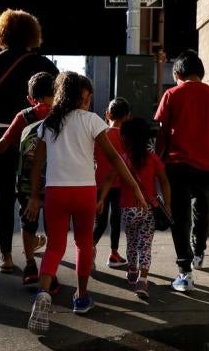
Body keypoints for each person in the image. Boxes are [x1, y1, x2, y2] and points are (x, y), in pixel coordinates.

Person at [25, 72, 147, 335]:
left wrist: (35, 196)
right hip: (84, 192)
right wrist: (135, 186)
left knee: (54, 247)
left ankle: (42, 294)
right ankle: (81, 298)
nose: (90, 100)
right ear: (83, 97)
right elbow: (115, 159)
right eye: (88, 96)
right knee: (83, 244)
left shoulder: (49, 123)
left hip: (55, 191)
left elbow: (37, 163)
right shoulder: (92, 121)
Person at [0, 9, 59, 272]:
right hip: (32, 131)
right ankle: (30, 247)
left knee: (3, 195)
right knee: (29, 192)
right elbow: (57, 96)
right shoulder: (44, 65)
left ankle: (6, 256)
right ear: (32, 34)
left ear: (1, 32)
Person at [154, 49, 209, 292]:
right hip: (208, 167)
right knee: (202, 209)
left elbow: (163, 133)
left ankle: (185, 271)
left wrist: (155, 162)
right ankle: (199, 252)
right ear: (201, 73)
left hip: (178, 165)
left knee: (180, 217)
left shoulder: (172, 94)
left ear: (177, 73)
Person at [0, 71, 60, 294]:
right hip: (56, 181)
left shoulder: (24, 116)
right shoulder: (62, 115)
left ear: (30, 98)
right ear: (56, 93)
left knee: (28, 223)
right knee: (54, 227)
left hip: (26, 182)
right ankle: (50, 273)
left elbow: (4, 143)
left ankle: (30, 266)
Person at [98, 117, 171, 299]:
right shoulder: (153, 158)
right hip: (149, 209)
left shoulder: (123, 159)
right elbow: (164, 181)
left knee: (131, 241)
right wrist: (167, 205)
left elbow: (108, 180)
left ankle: (132, 270)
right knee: (145, 244)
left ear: (126, 138)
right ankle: (142, 279)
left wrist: (101, 200)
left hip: (128, 209)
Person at [93, 97, 130, 269]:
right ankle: (114, 254)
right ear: (127, 117)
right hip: (119, 185)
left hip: (99, 184)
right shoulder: (126, 139)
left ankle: (89, 249)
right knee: (116, 220)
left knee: (99, 222)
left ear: (107, 114)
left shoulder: (100, 135)